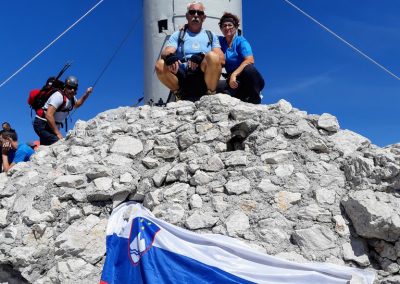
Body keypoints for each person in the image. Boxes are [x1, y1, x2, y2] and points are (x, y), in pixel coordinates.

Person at [155, 1, 225, 102]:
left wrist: (201, 56)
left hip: (202, 75)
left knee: (213, 56)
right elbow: (166, 51)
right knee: (160, 65)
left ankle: (210, 95)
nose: (196, 15)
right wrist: (170, 56)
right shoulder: (178, 34)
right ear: (187, 16)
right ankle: (179, 94)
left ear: (203, 17)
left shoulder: (211, 35)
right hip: (182, 75)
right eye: (192, 12)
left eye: (199, 13)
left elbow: (221, 59)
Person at [217, 12, 265, 104]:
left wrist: (234, 74)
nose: (227, 28)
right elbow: (206, 36)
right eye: (224, 26)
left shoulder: (240, 40)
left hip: (246, 77)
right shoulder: (219, 41)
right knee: (216, 87)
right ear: (221, 28)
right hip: (233, 81)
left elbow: (250, 60)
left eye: (230, 25)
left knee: (249, 69)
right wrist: (186, 26)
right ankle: (239, 95)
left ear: (235, 27)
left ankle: (254, 97)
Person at [33, 76, 93, 146]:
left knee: (47, 147)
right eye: (70, 87)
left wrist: (87, 93)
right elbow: (49, 115)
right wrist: (58, 133)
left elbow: (77, 105)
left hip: (50, 126)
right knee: (59, 144)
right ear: (65, 87)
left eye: (74, 88)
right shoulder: (58, 96)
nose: (72, 90)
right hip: (42, 124)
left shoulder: (72, 98)